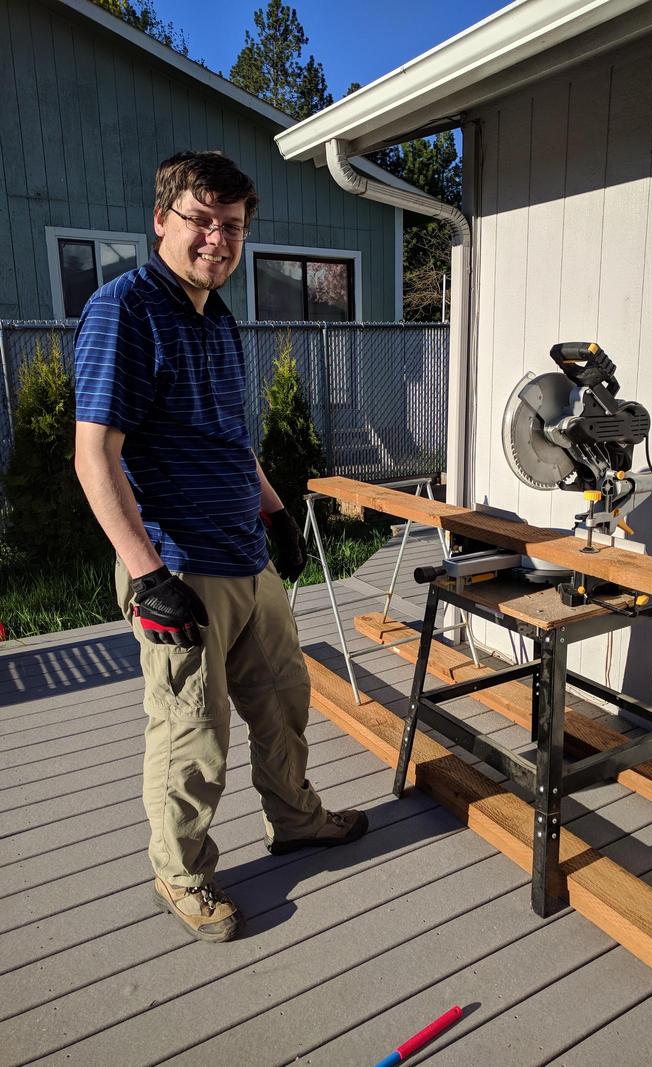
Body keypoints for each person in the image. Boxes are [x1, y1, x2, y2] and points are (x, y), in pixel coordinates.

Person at [73, 151, 368, 944]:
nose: (217, 238)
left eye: (232, 226)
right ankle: (181, 871)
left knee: (281, 703)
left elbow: (230, 440)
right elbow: (93, 453)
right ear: (162, 219)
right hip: (179, 567)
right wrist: (148, 575)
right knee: (189, 737)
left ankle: (297, 820)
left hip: (244, 553)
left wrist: (273, 513)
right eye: (201, 220)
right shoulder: (124, 311)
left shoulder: (217, 317)